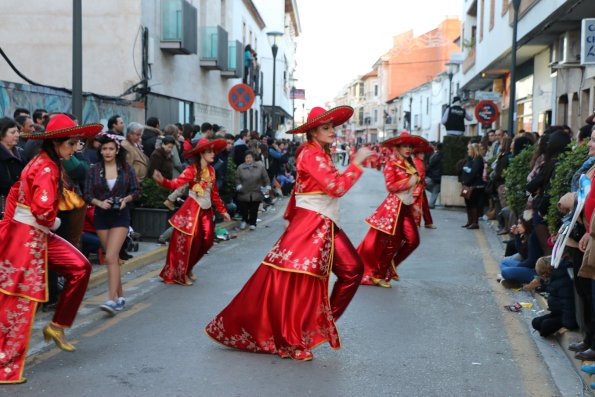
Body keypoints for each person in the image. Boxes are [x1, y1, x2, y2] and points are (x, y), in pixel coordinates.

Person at [205, 106, 373, 361]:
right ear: (313, 132)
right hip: (312, 223)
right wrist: (357, 164)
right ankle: (292, 341)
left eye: (332, 127)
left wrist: (287, 215)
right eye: (325, 128)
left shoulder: (320, 154)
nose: (332, 131)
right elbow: (336, 187)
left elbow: (299, 188)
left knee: (351, 270)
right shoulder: (310, 154)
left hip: (324, 222)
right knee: (301, 281)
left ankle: (318, 325)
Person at [0, 114, 102, 383]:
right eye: (71, 144)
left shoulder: (47, 162)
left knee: (80, 267)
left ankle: (56, 326)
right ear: (57, 143)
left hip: (35, 234)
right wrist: (51, 221)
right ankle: (5, 368)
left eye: (77, 144)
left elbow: (16, 193)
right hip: (28, 237)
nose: (74, 149)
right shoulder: (46, 167)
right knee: (19, 301)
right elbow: (44, 212)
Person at [153, 138, 231, 285]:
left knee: (207, 242)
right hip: (191, 212)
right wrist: (162, 181)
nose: (213, 154)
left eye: (213, 151)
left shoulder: (212, 170)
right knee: (187, 244)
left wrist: (223, 210)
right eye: (209, 152)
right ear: (201, 154)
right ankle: (180, 274)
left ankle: (188, 268)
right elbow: (175, 184)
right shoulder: (191, 170)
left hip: (206, 212)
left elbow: (214, 194)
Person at [357, 132, 424, 287]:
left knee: (413, 241)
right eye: (405, 146)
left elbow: (414, 186)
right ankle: (378, 275)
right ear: (397, 147)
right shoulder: (391, 164)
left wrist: (414, 205)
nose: (408, 149)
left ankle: (389, 267)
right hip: (394, 207)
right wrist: (409, 182)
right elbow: (390, 187)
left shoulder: (410, 163)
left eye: (410, 146)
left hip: (406, 206)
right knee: (391, 244)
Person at [85, 133, 140, 315]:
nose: (107, 152)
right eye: (104, 149)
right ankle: (121, 297)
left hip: (120, 216)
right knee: (113, 259)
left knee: (110, 256)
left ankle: (110, 299)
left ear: (117, 150)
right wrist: (99, 203)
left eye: (110, 149)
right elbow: (86, 194)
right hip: (101, 216)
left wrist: (126, 199)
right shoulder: (93, 169)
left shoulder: (126, 169)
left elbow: (136, 191)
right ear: (100, 151)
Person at [236, 150, 270, 230]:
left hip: (256, 191)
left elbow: (265, 178)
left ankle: (252, 223)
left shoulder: (260, 167)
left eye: (250, 157)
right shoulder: (240, 168)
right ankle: (244, 220)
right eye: (247, 158)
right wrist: (238, 186)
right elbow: (237, 179)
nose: (248, 159)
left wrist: (267, 187)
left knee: (254, 209)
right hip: (244, 192)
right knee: (244, 209)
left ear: (253, 158)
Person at [0, 117, 25, 209]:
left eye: (18, 132)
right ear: (1, 134)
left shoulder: (21, 153)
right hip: (5, 204)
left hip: (20, 203)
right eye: (13, 132)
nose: (17, 135)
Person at [460, 142, 485, 229]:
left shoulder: (478, 159)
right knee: (469, 203)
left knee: (473, 204)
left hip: (474, 186)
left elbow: (473, 173)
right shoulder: (472, 159)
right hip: (469, 185)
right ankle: (470, 221)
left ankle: (474, 222)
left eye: (469, 149)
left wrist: (466, 181)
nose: (468, 151)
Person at [412, 143, 436, 229]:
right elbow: (420, 176)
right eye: (421, 153)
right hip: (418, 188)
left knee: (424, 206)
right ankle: (416, 223)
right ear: (417, 154)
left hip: (420, 188)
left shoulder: (418, 161)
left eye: (423, 153)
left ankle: (428, 222)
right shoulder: (418, 162)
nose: (423, 155)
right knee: (418, 206)